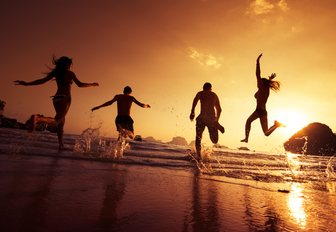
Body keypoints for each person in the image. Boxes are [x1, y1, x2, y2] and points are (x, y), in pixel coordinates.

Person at [14, 56, 99, 150]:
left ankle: (61, 145)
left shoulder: (56, 73)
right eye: (69, 64)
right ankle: (38, 118)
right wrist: (92, 84)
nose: (70, 66)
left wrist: (27, 83)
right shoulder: (70, 73)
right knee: (56, 121)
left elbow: (41, 81)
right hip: (65, 98)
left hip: (56, 98)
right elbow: (80, 84)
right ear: (66, 64)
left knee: (61, 122)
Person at [241, 53, 284, 143]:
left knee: (248, 121)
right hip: (262, 111)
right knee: (266, 133)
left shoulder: (262, 87)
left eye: (259, 81)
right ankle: (276, 125)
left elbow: (258, 74)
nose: (258, 82)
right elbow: (261, 79)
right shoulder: (265, 89)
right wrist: (269, 80)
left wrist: (257, 62)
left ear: (261, 83)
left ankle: (247, 138)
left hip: (260, 111)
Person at [190, 82, 225, 159]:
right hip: (211, 119)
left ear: (203, 88)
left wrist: (192, 112)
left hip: (202, 118)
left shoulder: (200, 93)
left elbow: (195, 101)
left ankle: (198, 156)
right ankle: (216, 125)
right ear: (211, 88)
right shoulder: (214, 95)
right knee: (215, 141)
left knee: (198, 138)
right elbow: (219, 109)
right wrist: (216, 120)